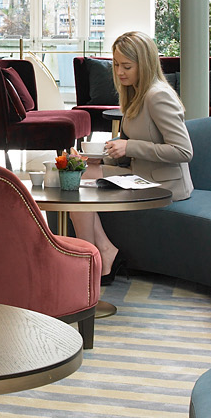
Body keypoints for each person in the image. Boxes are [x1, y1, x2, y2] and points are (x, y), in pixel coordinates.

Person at [72, 30, 194, 284]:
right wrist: (101, 157)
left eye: (126, 66)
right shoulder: (135, 94)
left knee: (80, 185)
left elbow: (183, 151)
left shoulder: (158, 96)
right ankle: (102, 253)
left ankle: (89, 262)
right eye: (116, 65)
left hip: (165, 183)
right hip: (139, 175)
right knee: (79, 176)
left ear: (145, 64)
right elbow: (128, 148)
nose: (119, 72)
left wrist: (129, 147)